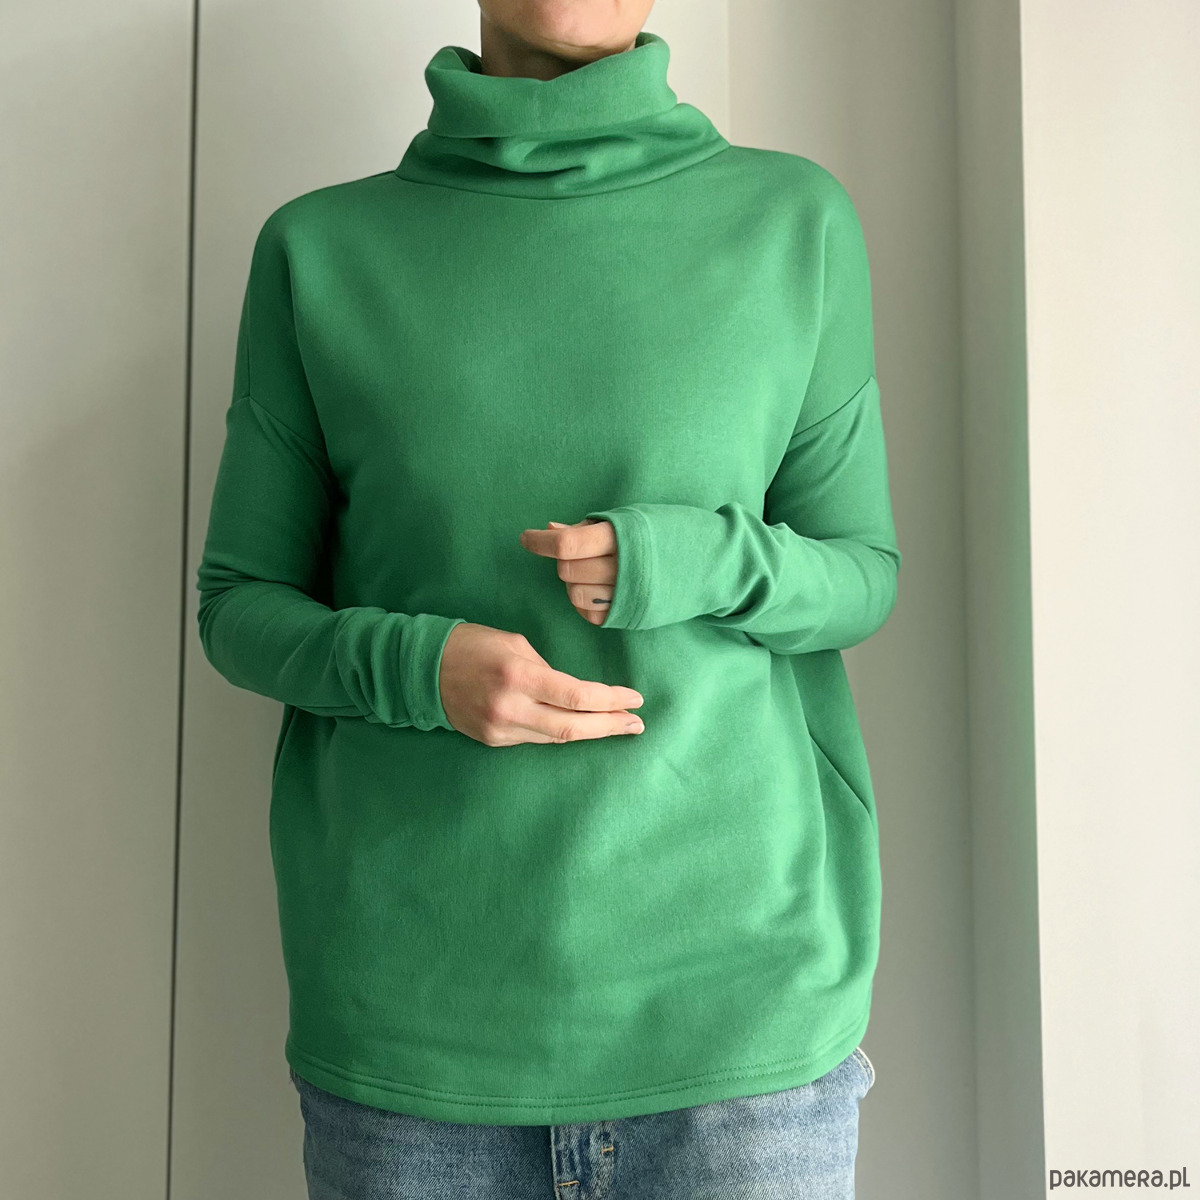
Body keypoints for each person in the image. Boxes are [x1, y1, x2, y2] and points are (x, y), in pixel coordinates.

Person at [196, 0, 901, 1194]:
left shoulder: (793, 220)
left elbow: (861, 577)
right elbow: (239, 603)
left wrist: (704, 559)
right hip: (417, 1036)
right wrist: (416, 669)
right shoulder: (321, 248)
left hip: (742, 1026)